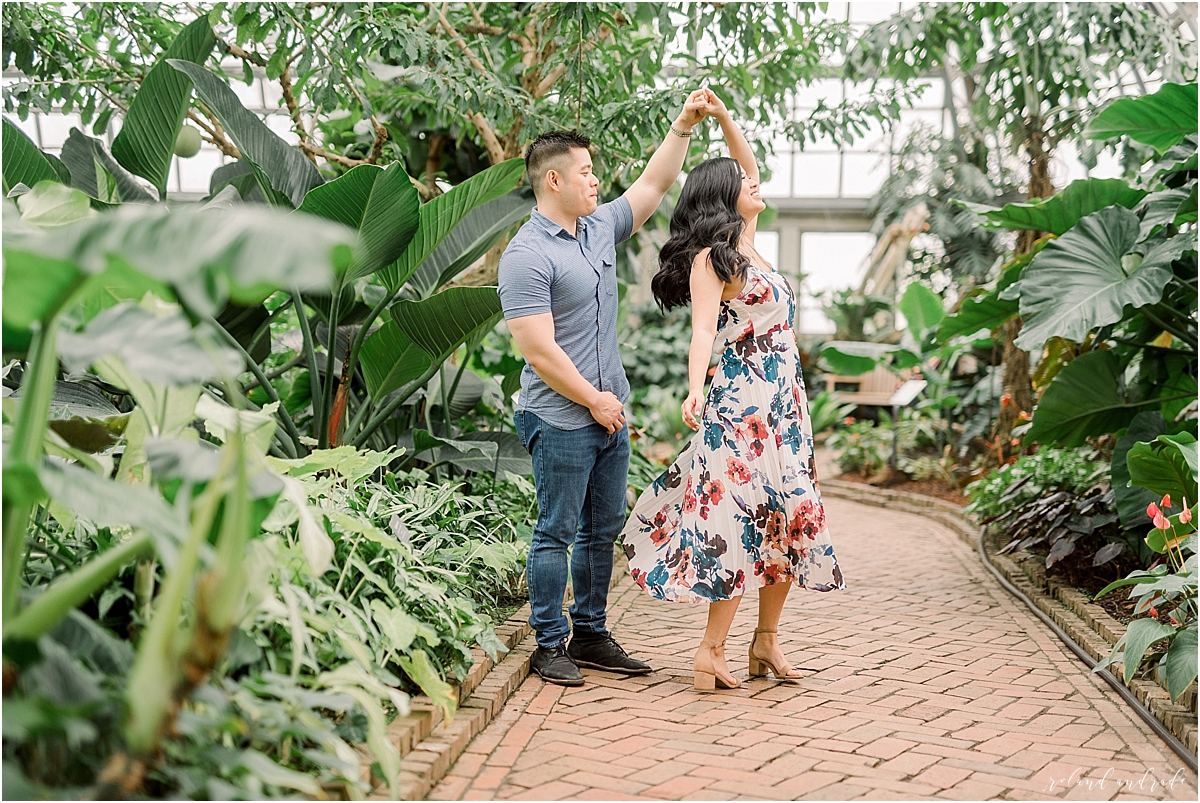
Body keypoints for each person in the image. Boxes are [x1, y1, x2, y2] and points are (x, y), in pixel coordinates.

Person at [621, 89, 846, 692]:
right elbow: (701, 335)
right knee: (741, 519)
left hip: (784, 404)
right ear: (726, 196)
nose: (756, 183)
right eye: (743, 183)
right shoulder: (712, 262)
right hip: (741, 402)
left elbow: (747, 167)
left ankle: (765, 643)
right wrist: (695, 391)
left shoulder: (750, 245)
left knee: (790, 516)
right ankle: (711, 651)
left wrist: (722, 117)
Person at [498, 90, 712, 686]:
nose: (596, 181)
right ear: (554, 181)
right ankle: (549, 643)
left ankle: (591, 633)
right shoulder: (525, 256)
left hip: (608, 413)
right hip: (562, 417)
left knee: (601, 530)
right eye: (587, 173)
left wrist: (682, 127)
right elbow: (539, 351)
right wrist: (592, 399)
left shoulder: (596, 228)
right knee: (556, 532)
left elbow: (651, 186)